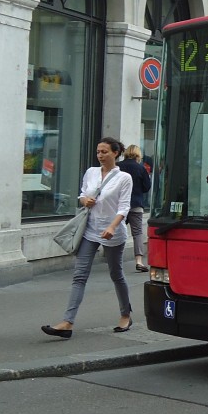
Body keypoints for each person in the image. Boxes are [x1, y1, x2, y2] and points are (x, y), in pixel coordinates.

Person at [41, 137, 134, 338]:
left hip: (112, 232)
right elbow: (82, 194)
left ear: (115, 153)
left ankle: (126, 314)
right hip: (90, 230)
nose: (100, 155)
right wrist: (84, 200)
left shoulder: (124, 178)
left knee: (116, 274)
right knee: (79, 276)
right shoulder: (91, 172)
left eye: (105, 152)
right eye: (98, 152)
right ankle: (67, 322)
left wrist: (112, 226)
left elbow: (124, 207)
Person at [118, 144, 151, 272]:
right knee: (137, 233)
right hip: (136, 204)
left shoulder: (118, 166)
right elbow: (147, 187)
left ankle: (114, 258)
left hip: (119, 205)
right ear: (138, 155)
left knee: (116, 230)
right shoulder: (140, 168)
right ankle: (139, 261)